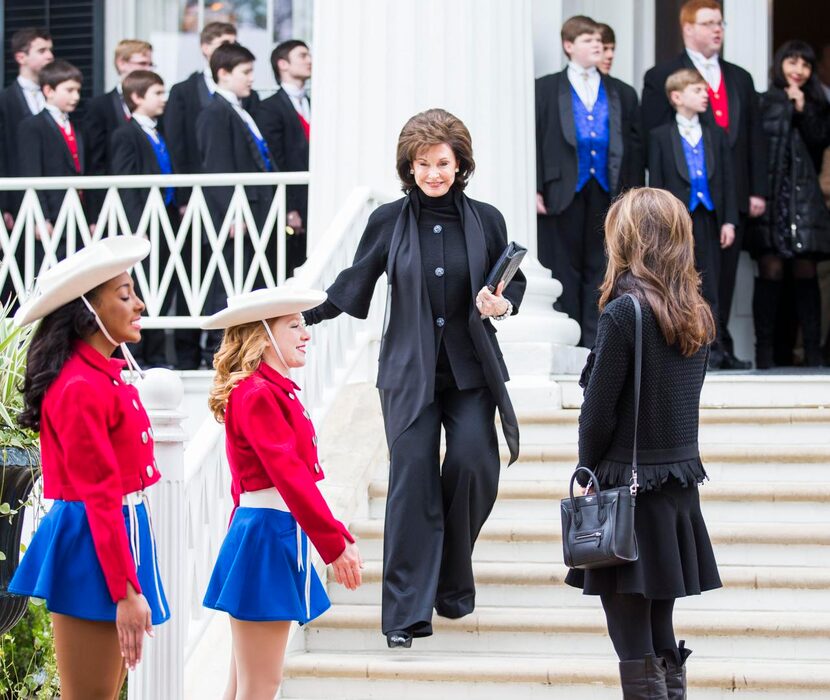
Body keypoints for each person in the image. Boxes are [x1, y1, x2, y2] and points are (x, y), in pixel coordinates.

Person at [303, 108, 526, 648]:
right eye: (422, 163)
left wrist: (502, 305)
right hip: (409, 374)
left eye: (442, 163)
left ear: (460, 164)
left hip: (471, 371)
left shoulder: (487, 219)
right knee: (412, 486)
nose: (433, 173)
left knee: (475, 464)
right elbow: (352, 284)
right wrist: (296, 317)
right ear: (409, 166)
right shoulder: (387, 221)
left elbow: (512, 285)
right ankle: (405, 615)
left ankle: (450, 578)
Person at [565, 187, 722, 698]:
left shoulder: (624, 313)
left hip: (625, 488)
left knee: (632, 637)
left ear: (628, 239)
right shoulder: (694, 312)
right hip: (674, 488)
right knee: (657, 629)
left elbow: (596, 414)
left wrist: (586, 473)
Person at [10, 236, 169, 699]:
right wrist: (124, 590)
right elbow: (98, 493)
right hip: (91, 542)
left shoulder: (102, 374)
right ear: (88, 312)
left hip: (117, 532)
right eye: (124, 295)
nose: (139, 305)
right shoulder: (79, 384)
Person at [201, 286, 361, 700]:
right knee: (259, 685)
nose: (305, 333)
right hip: (265, 538)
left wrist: (333, 535)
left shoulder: (270, 390)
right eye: (293, 325)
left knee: (245, 685)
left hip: (267, 534)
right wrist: (335, 544)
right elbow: (290, 477)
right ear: (262, 336)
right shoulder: (257, 394)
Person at [641, 0, 767, 370]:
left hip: (727, 194)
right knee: (682, 271)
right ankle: (689, 347)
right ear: (688, 29)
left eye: (720, 23)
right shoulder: (661, 75)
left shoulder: (740, 77)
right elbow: (651, 144)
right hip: (681, 199)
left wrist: (755, 190)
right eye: (709, 23)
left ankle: (720, 343)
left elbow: (753, 139)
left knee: (723, 274)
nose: (718, 30)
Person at [536, 15, 643, 347]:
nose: (597, 45)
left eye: (599, 40)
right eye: (588, 40)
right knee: (563, 266)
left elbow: (635, 148)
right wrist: (537, 186)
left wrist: (633, 196)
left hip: (608, 189)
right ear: (569, 46)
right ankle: (568, 339)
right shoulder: (545, 87)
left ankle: (597, 343)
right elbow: (536, 138)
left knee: (603, 265)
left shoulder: (621, 92)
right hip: (562, 190)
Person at [648, 69, 738, 369]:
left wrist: (728, 220)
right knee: (680, 280)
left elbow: (727, 179)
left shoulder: (715, 134)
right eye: (697, 90)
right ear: (677, 97)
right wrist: (660, 223)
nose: (705, 95)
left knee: (711, 284)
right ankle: (685, 347)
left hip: (709, 218)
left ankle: (715, 349)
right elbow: (658, 180)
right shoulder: (660, 136)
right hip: (677, 221)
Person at [750, 40, 830, 368]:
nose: (798, 70)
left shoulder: (818, 103)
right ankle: (765, 354)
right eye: (792, 62)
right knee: (770, 269)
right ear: (781, 64)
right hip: (773, 196)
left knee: (805, 271)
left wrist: (802, 110)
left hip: (806, 199)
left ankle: (813, 353)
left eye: (805, 65)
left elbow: (819, 142)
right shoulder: (765, 99)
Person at [197, 42, 277, 362]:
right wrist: (232, 213)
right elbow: (217, 166)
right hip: (235, 214)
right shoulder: (215, 112)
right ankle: (217, 351)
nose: (251, 79)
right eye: (245, 72)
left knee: (243, 278)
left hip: (252, 209)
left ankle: (239, 348)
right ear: (224, 73)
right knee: (228, 279)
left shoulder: (237, 109)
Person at [111, 70, 184, 370]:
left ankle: (157, 354)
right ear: (137, 97)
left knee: (162, 288)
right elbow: (127, 183)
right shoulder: (125, 135)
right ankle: (136, 355)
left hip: (163, 221)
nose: (163, 99)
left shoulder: (158, 131)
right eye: (157, 93)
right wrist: (135, 227)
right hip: (143, 225)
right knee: (141, 289)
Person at [165, 21, 259, 209]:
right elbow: (177, 146)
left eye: (235, 44)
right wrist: (184, 196)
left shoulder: (250, 95)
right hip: (197, 190)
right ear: (205, 48)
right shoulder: (182, 92)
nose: (231, 49)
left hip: (242, 193)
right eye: (224, 43)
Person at [18, 59, 88, 264]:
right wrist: (41, 218)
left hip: (75, 212)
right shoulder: (32, 126)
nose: (76, 97)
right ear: (48, 90)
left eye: (78, 90)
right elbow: (31, 173)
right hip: (52, 213)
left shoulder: (76, 125)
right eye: (69, 90)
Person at [256, 39, 312, 276]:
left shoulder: (315, 103)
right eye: (302, 56)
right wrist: (290, 208)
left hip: (316, 198)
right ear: (283, 64)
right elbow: (275, 161)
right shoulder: (269, 108)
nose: (310, 61)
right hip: (292, 203)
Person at [82, 40, 155, 221]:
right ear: (121, 63)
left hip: (150, 198)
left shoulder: (156, 106)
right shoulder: (99, 106)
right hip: (112, 203)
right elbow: (95, 164)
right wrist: (94, 215)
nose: (148, 69)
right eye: (142, 63)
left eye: (150, 64)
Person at [0, 27, 54, 227]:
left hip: (54, 198)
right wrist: (4, 205)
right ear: (21, 57)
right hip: (16, 197)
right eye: (41, 51)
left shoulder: (57, 96)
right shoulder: (4, 100)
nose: (50, 56)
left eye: (50, 50)